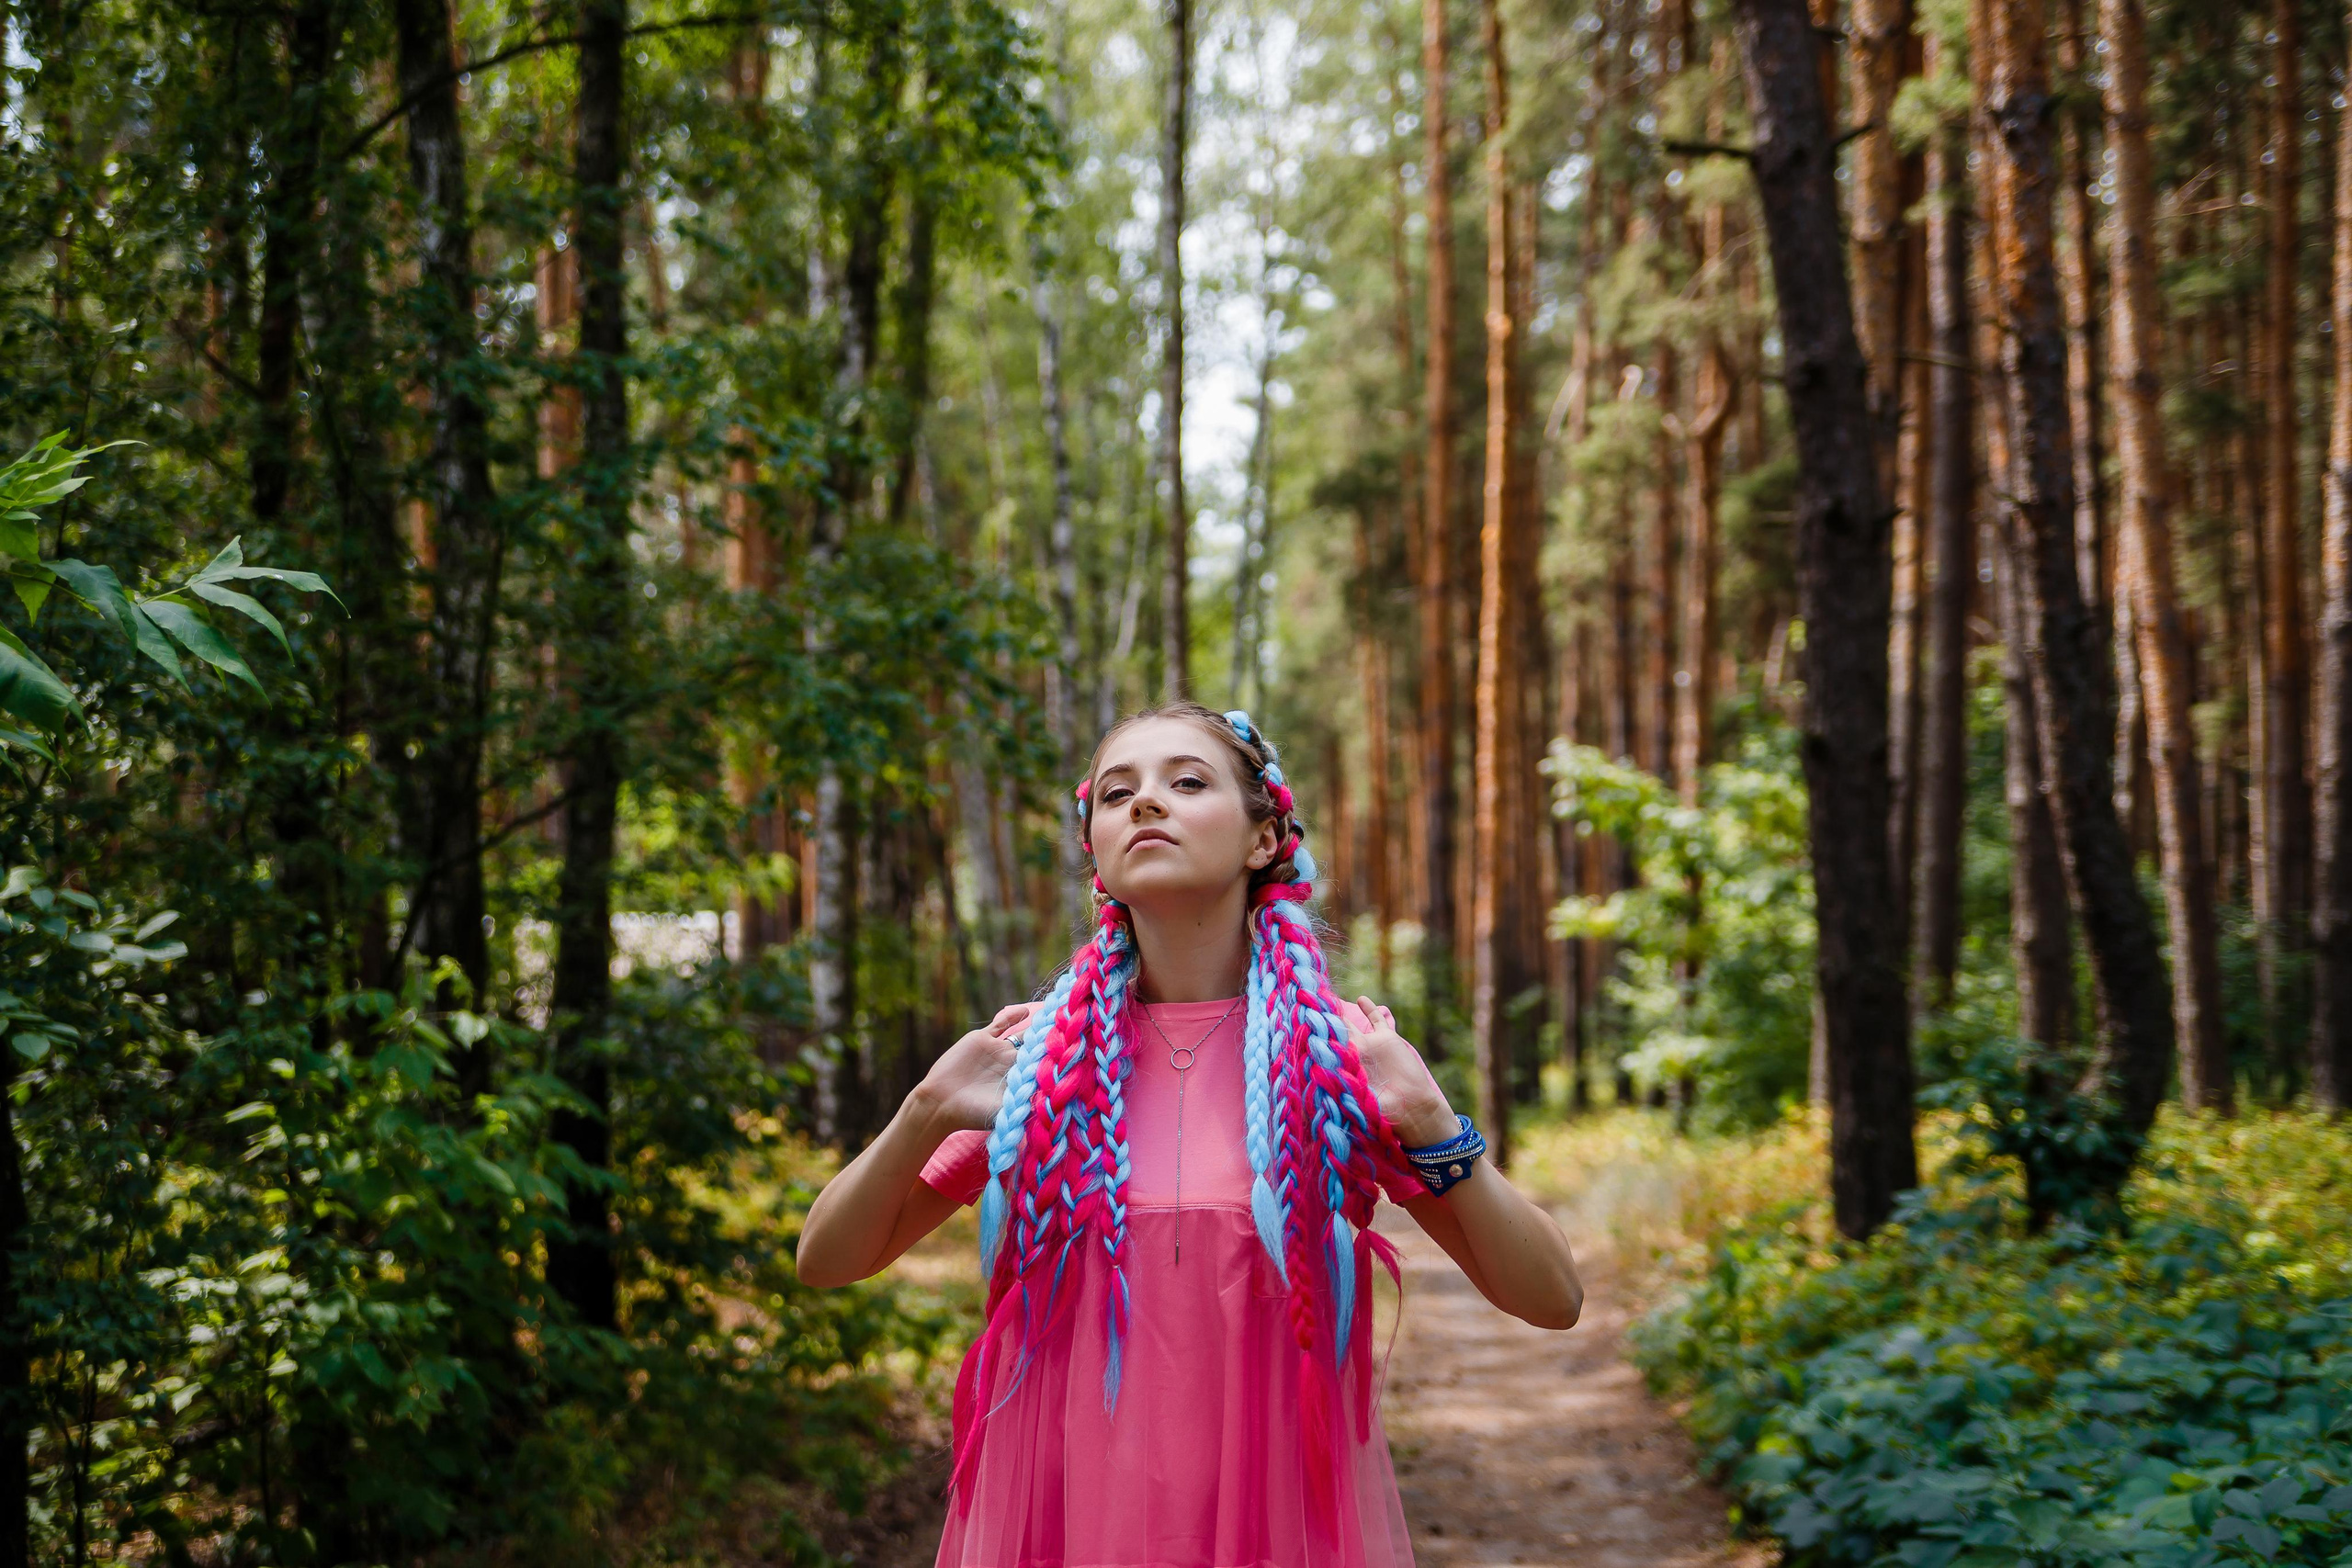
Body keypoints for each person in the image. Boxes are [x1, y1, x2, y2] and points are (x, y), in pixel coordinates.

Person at [797, 701, 1582, 1568]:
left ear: (1263, 838)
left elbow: (1551, 1297)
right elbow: (827, 1258)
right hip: (1070, 1525)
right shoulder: (1047, 1064)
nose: (1145, 802)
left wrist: (1433, 1123)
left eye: (1187, 781)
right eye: (1117, 792)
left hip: (1273, 1529)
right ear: (1096, 851)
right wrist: (925, 1108)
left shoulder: (1329, 1057)